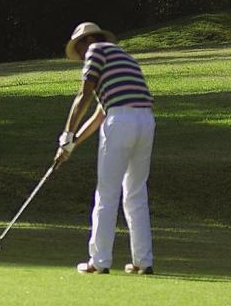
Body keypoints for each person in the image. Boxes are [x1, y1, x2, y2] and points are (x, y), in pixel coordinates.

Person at [56, 22, 156, 275]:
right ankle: (143, 261)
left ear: (83, 43)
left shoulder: (94, 51)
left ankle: (98, 261)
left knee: (106, 193)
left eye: (78, 51)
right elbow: (101, 113)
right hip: (145, 121)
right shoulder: (121, 56)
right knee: (135, 193)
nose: (79, 57)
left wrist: (66, 136)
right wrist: (72, 145)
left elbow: (84, 96)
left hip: (121, 121)